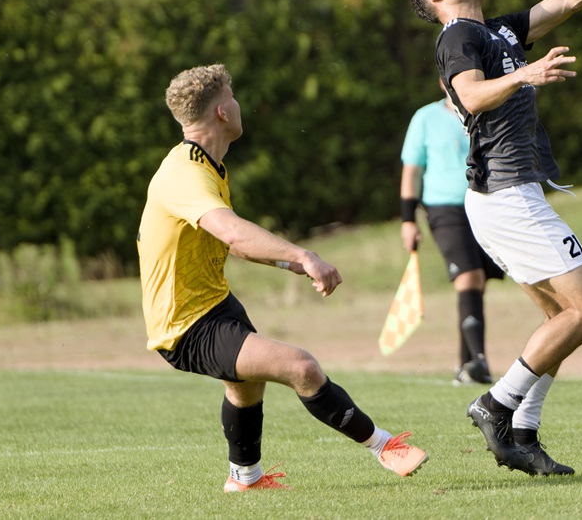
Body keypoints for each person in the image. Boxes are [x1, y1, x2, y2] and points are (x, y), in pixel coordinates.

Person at [407, 0, 582, 476]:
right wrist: (528, 74)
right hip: (506, 197)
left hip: (506, 196)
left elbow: (566, 0)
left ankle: (523, 432)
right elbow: (468, 95)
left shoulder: (498, 31)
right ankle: (496, 404)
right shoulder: (457, 38)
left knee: (561, 318)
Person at [137, 64, 427, 492]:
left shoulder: (206, 165)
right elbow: (234, 232)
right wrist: (302, 254)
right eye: (232, 96)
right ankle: (384, 446)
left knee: (245, 384)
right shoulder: (184, 173)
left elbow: (233, 243)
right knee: (300, 366)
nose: (238, 104)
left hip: (213, 304)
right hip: (184, 325)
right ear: (222, 112)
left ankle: (245, 479)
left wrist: (292, 265)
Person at [400, 80, 505, 385]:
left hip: (484, 205)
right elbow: (412, 171)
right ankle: (480, 362)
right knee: (469, 277)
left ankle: (466, 366)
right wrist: (408, 219)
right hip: (445, 208)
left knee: (477, 284)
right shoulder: (425, 118)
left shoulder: (486, 113)